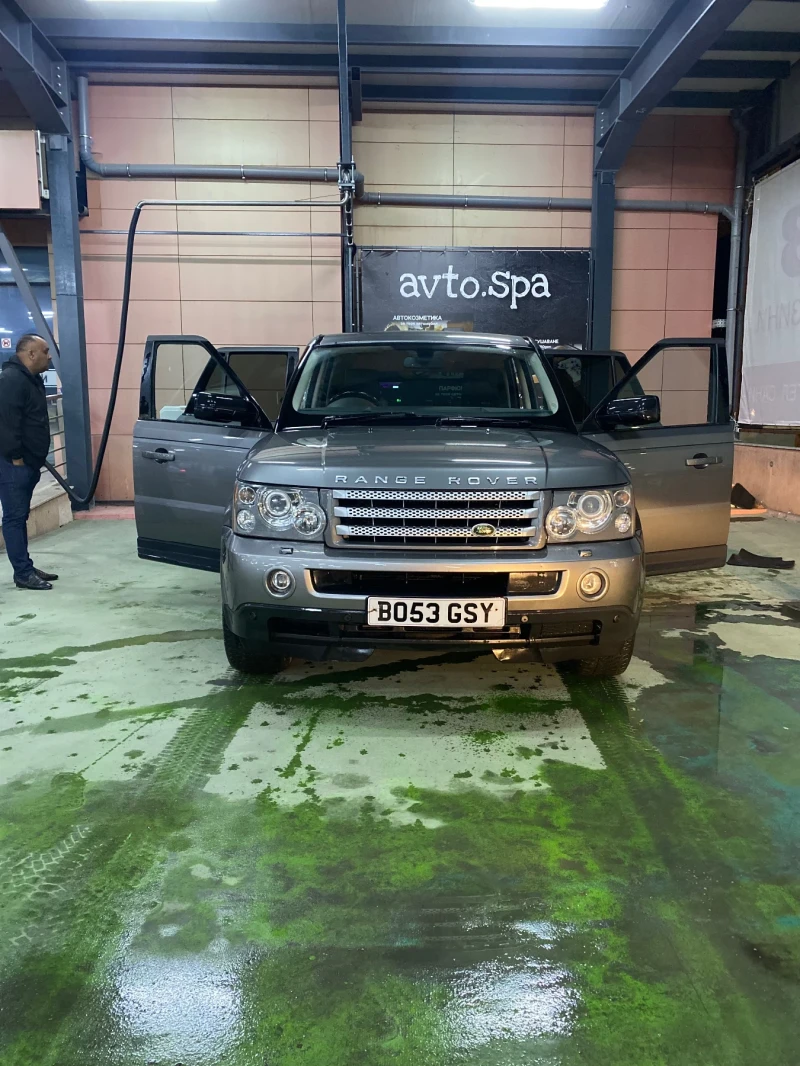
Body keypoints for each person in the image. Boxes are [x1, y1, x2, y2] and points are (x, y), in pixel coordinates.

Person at [0, 334, 59, 590]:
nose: (49, 356)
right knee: (14, 518)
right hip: (14, 465)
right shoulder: (11, 380)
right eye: (45, 351)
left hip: (29, 463)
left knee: (20, 516)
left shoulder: (30, 379)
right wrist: (17, 458)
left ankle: (25, 566)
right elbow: (6, 424)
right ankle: (23, 574)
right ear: (31, 354)